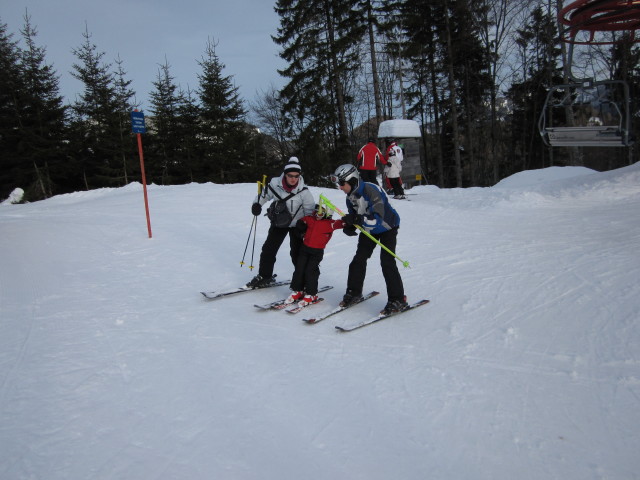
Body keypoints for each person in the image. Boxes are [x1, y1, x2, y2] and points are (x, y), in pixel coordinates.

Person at [330, 164, 408, 314]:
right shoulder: (350, 197)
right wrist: (351, 225)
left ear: (352, 180)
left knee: (387, 262)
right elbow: (356, 217)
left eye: (341, 183)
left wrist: (358, 219)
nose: (340, 187)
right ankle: (354, 292)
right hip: (369, 231)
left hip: (387, 227)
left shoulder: (371, 189)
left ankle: (397, 299)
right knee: (359, 259)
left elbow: (378, 218)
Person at [247, 157, 316, 287]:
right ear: (285, 174)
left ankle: (303, 280)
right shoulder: (275, 184)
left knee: (297, 253)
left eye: (296, 176)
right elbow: (263, 196)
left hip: (297, 224)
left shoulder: (304, 191)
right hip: (280, 222)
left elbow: (309, 211)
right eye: (290, 175)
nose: (293, 179)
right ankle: (264, 276)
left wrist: (305, 224)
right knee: (269, 249)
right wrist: (257, 204)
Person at [284, 203, 345, 306]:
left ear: (325, 214)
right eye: (317, 213)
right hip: (305, 249)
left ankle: (311, 294)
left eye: (321, 214)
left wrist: (348, 220)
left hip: (317, 252)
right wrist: (300, 224)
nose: (318, 215)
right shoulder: (309, 219)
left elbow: (342, 223)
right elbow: (301, 221)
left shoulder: (329, 223)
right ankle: (298, 290)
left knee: (310, 271)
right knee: (299, 269)